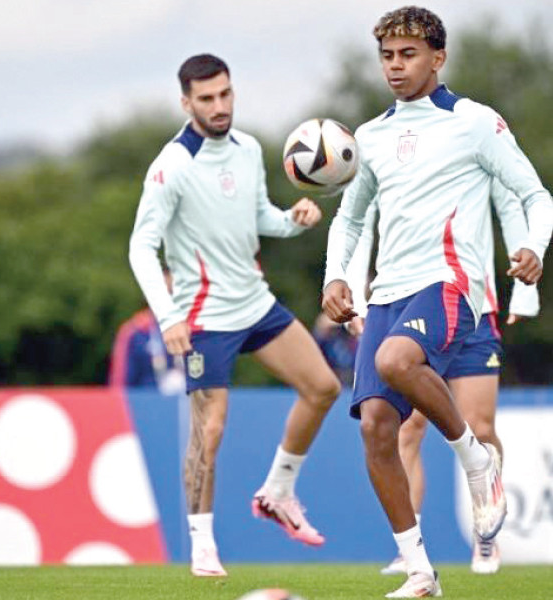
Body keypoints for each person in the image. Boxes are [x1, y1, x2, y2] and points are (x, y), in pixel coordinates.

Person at [321, 7, 553, 597]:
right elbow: (349, 218)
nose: (396, 67)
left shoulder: (474, 122)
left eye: (408, 55)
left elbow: (535, 194)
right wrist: (336, 278)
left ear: (438, 57)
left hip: (450, 282)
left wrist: (533, 247)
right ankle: (420, 570)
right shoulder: (369, 137)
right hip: (386, 294)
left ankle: (477, 462)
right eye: (388, 56)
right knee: (376, 427)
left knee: (397, 363)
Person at [128, 54, 341, 578]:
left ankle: (277, 491)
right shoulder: (171, 166)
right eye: (206, 99)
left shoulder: (247, 148)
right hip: (203, 317)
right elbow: (140, 248)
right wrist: (169, 316)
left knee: (324, 387)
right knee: (211, 429)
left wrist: (294, 219)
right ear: (186, 103)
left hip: (255, 302)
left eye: (225, 94)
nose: (219, 106)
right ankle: (202, 544)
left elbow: (258, 215)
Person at [348, 184, 539, 577]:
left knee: (480, 424)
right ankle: (411, 548)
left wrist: (525, 295)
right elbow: (358, 222)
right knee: (408, 429)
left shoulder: (470, 145)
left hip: (474, 309)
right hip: (415, 307)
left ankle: (486, 528)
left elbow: (512, 202)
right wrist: (353, 291)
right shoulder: (398, 157)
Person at [109, 269, 186, 395]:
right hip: (144, 409)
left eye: (171, 293)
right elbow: (119, 384)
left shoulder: (193, 330)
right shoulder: (134, 332)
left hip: (186, 409)